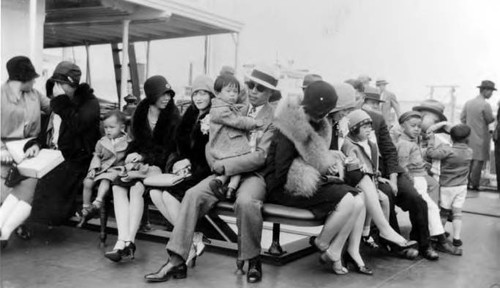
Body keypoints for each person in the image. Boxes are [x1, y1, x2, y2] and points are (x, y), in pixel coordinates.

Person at [144, 66, 277, 284]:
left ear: (270, 93)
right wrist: (215, 162)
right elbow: (213, 142)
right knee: (193, 195)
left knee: (246, 202)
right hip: (222, 171)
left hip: (253, 175)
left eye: (260, 88)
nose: (253, 90)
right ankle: (177, 260)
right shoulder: (234, 108)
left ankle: (253, 259)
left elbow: (262, 157)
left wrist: (225, 166)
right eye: (250, 85)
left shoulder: (272, 119)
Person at [266, 81, 370, 275]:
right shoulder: (291, 127)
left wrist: (325, 163)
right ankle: (322, 242)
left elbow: (315, 157)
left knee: (358, 200)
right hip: (284, 187)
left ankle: (334, 250)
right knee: (348, 200)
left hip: (306, 179)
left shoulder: (317, 124)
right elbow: (281, 171)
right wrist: (321, 166)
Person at [105, 75, 180, 262]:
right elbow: (137, 142)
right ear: (152, 95)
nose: (167, 98)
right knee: (117, 185)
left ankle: (129, 242)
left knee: (137, 188)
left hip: (160, 167)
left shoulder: (173, 116)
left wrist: (144, 157)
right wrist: (132, 155)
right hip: (141, 164)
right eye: (163, 94)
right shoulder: (140, 112)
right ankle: (121, 241)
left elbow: (169, 149)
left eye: (169, 94)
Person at [149, 75, 214, 263]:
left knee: (169, 196)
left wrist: (189, 165)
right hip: (186, 169)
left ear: (211, 95)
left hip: (204, 172)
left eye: (203, 93)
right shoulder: (190, 115)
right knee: (154, 193)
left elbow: (212, 152)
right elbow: (177, 147)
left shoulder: (215, 116)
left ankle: (189, 242)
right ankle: (194, 238)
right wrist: (177, 161)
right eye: (196, 94)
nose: (199, 98)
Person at [30, 61, 101, 226]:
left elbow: (79, 125)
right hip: (53, 154)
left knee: (52, 182)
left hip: (77, 158)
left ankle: (42, 221)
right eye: (56, 83)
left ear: (74, 86)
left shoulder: (89, 102)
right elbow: (48, 133)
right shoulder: (57, 103)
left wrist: (61, 101)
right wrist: (36, 144)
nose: (58, 88)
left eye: (63, 84)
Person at [0, 56, 50, 247]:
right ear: (21, 78)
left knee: (27, 192)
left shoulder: (35, 95)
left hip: (29, 150)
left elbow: (52, 107)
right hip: (4, 152)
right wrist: (1, 149)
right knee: (6, 193)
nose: (35, 82)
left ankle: (7, 232)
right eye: (31, 78)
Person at [395, 111, 450, 259]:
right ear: (401, 126)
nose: (417, 129)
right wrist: (412, 182)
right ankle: (434, 240)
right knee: (428, 206)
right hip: (414, 179)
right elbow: (403, 166)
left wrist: (422, 164)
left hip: (420, 176)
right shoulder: (404, 143)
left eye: (419, 126)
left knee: (430, 204)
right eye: (413, 126)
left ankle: (428, 237)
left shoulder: (413, 140)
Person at [208, 73, 262, 201]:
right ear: (217, 93)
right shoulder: (221, 110)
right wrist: (254, 123)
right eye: (228, 91)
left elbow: (238, 110)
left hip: (226, 145)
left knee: (235, 168)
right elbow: (237, 121)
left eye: (235, 91)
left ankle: (221, 183)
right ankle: (230, 188)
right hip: (226, 146)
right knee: (238, 165)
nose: (233, 94)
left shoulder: (223, 107)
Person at [77, 110, 129, 227]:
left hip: (116, 168)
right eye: (105, 127)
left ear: (122, 127)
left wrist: (126, 167)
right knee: (87, 182)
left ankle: (98, 201)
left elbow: (128, 157)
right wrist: (93, 169)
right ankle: (86, 209)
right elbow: (97, 156)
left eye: (111, 127)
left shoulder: (127, 142)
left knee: (105, 179)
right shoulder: (102, 141)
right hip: (101, 167)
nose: (108, 130)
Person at [426, 124, 472, 251]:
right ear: (467, 138)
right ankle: (457, 238)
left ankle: (437, 237)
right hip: (462, 186)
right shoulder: (469, 151)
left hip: (447, 186)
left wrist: (431, 140)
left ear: (451, 137)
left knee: (444, 212)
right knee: (457, 212)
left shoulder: (447, 150)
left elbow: (430, 153)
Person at [460, 80, 496, 190]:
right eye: (490, 91)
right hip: (482, 137)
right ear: (484, 90)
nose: (491, 94)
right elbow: (490, 119)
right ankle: (474, 184)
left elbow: (462, 118)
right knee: (478, 162)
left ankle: (465, 183)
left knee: (469, 161)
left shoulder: (468, 103)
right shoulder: (485, 104)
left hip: (469, 137)